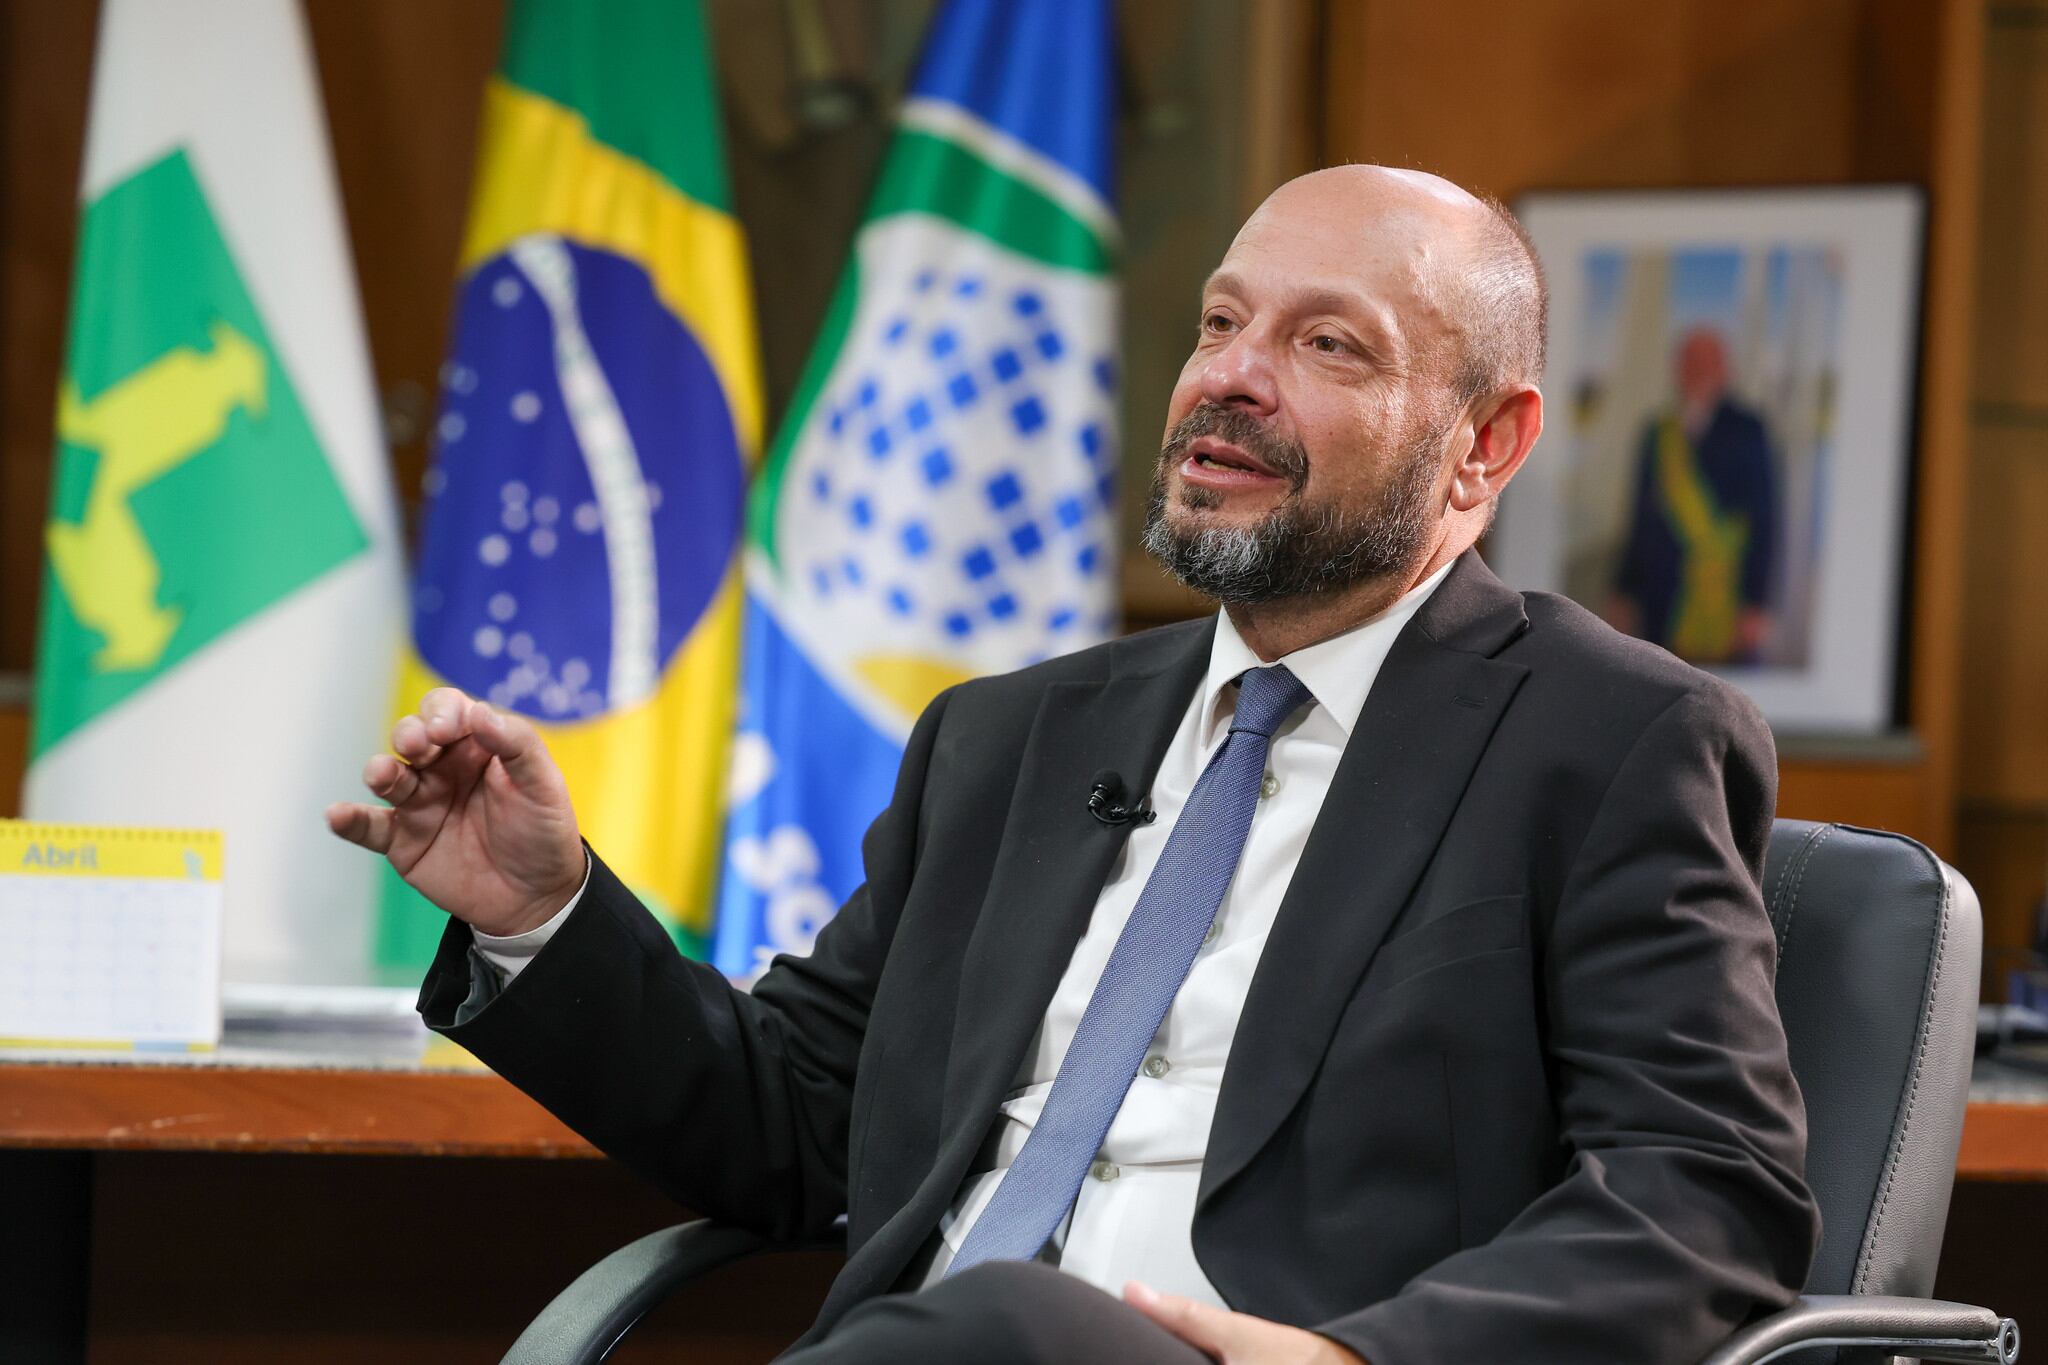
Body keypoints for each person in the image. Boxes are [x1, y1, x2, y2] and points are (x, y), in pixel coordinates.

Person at [328, 166, 1817, 1364]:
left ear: (1484, 445)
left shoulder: (1605, 742)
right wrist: (542, 912)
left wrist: (1352, 1356)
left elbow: (1702, 1195)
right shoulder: (1009, 738)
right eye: (1220, 322)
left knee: (1014, 1322)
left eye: (1325, 344)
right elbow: (792, 1129)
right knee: (989, 1321)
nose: (1232, 379)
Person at [1607, 325, 1780, 664]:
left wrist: (1756, 602)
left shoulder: (1749, 428)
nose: (1698, 368)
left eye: (1707, 360)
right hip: (1663, 597)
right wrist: (1624, 589)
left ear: (1725, 368)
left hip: (1726, 594)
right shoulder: (1657, 433)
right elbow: (1640, 519)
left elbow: (1764, 519)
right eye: (1690, 360)